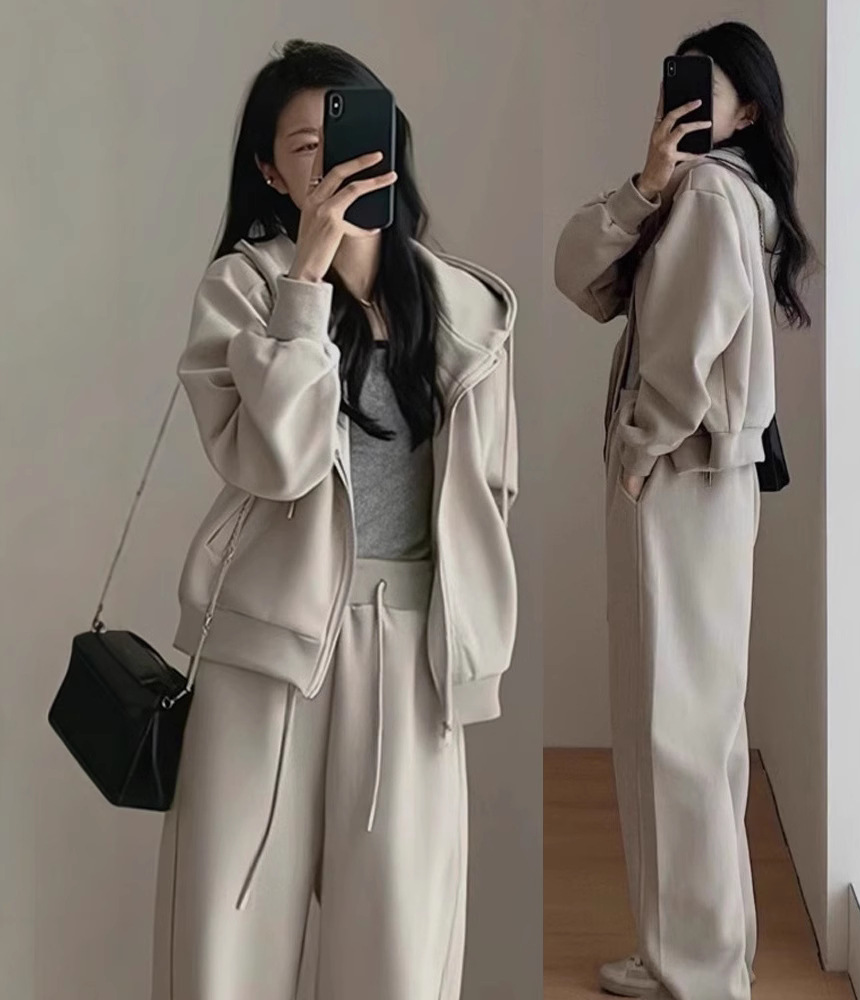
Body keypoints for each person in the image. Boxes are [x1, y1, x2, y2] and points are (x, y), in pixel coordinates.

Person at [150, 39, 518, 1000]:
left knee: (398, 959)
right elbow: (278, 463)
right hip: (266, 652)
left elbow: (490, 492)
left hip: (413, 652)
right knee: (228, 952)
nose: (330, 163)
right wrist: (305, 286)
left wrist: (475, 645)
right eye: (306, 148)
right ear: (272, 172)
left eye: (347, 136)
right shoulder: (243, 291)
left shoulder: (467, 306)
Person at [554, 21, 813, 1000]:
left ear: (746, 110)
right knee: (699, 724)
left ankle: (695, 972)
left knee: (674, 727)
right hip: (708, 481)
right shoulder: (697, 190)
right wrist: (643, 184)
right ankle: (705, 955)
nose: (684, 100)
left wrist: (636, 451)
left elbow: (683, 346)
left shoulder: (707, 195)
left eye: (707, 86)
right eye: (679, 83)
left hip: (677, 476)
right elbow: (579, 276)